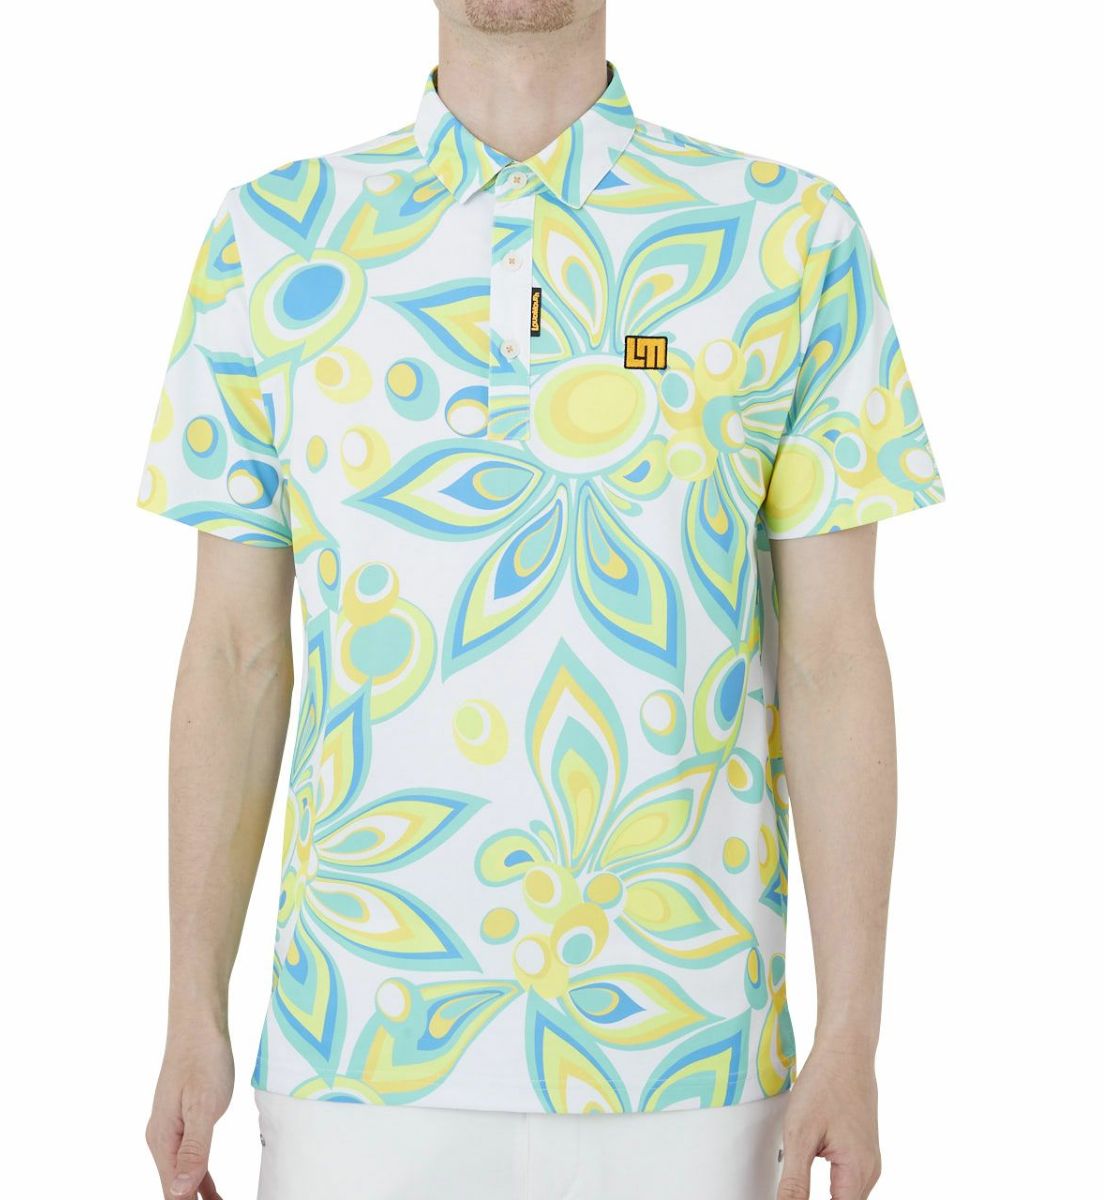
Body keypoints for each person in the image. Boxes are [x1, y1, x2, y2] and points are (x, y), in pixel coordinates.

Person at [136, 2, 946, 1197]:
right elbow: (233, 654)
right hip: (355, 1051)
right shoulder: (271, 240)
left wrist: (853, 1034)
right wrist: (190, 1008)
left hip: (694, 1061)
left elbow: (832, 657)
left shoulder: (788, 237)